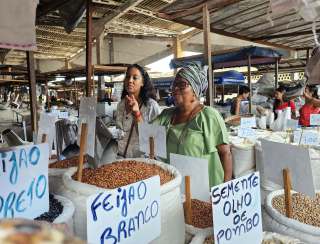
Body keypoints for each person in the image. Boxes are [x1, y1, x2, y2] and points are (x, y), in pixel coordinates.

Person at [154, 63, 232, 188]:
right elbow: (146, 136)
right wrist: (136, 113)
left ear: (195, 90)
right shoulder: (167, 115)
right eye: (174, 85)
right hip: (175, 185)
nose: (175, 89)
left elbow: (225, 153)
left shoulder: (209, 116)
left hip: (205, 189)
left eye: (182, 85)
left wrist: (226, 189)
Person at [116, 64, 160, 158]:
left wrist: (137, 114)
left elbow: (154, 141)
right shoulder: (120, 105)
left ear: (142, 82)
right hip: (120, 158)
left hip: (142, 162)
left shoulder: (151, 106)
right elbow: (120, 133)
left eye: (135, 78)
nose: (130, 80)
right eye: (128, 77)